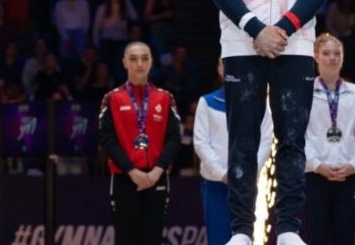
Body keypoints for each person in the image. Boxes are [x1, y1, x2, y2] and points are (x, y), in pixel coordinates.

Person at [205, 0, 331, 245]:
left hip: (293, 45)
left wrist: (286, 27)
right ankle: (242, 231)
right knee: (243, 138)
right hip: (243, 44)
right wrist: (256, 28)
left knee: (293, 138)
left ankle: (290, 229)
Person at [98, 41, 181, 245]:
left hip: (157, 178)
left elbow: (174, 138)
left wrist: (156, 171)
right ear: (125, 62)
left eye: (144, 58)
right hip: (124, 178)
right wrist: (132, 171)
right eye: (133, 59)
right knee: (126, 239)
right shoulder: (112, 98)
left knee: (153, 239)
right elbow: (107, 140)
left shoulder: (165, 98)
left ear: (151, 62)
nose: (139, 63)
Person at [194, 56, 274, 245]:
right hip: (216, 184)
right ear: (219, 69)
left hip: (246, 184)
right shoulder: (206, 102)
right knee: (219, 239)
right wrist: (222, 174)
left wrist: (248, 171)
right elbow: (201, 143)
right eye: (225, 62)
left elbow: (266, 140)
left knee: (247, 238)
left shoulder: (259, 103)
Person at [304, 34, 355, 245]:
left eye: (337, 54)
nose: (332, 58)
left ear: (343, 58)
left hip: (348, 175)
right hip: (315, 175)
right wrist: (316, 165)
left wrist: (353, 165)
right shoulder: (304, 92)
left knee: (345, 237)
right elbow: (298, 136)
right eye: (326, 53)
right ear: (316, 56)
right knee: (317, 237)